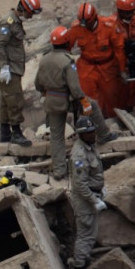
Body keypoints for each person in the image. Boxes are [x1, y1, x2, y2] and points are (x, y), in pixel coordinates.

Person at [34, 26, 116, 180]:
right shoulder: (67, 61)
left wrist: (46, 92)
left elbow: (38, 84)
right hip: (67, 100)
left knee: (57, 137)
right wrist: (84, 101)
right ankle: (104, 135)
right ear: (66, 42)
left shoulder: (44, 59)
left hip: (51, 101)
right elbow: (75, 87)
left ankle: (59, 170)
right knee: (94, 105)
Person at [0, 0, 42, 146]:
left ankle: (5, 133)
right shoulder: (7, 22)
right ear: (23, 9)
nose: (31, 16)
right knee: (14, 99)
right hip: (8, 67)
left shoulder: (15, 22)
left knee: (7, 100)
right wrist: (5, 67)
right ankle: (16, 133)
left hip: (12, 67)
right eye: (30, 13)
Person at [66, 2, 126, 118]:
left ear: (94, 18)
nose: (84, 26)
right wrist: (69, 68)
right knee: (86, 99)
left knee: (112, 98)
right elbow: (66, 48)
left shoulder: (109, 26)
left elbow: (119, 49)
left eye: (87, 23)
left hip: (107, 67)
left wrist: (122, 70)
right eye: (82, 22)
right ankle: (90, 124)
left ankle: (114, 122)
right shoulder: (77, 27)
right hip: (86, 67)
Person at [68, 116, 106, 269]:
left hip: (92, 195)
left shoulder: (89, 147)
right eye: (90, 133)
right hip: (84, 200)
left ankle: (82, 260)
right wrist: (93, 200)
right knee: (86, 235)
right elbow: (79, 185)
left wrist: (100, 189)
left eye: (93, 131)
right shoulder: (79, 154)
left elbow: (93, 174)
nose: (93, 134)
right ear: (81, 135)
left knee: (89, 233)